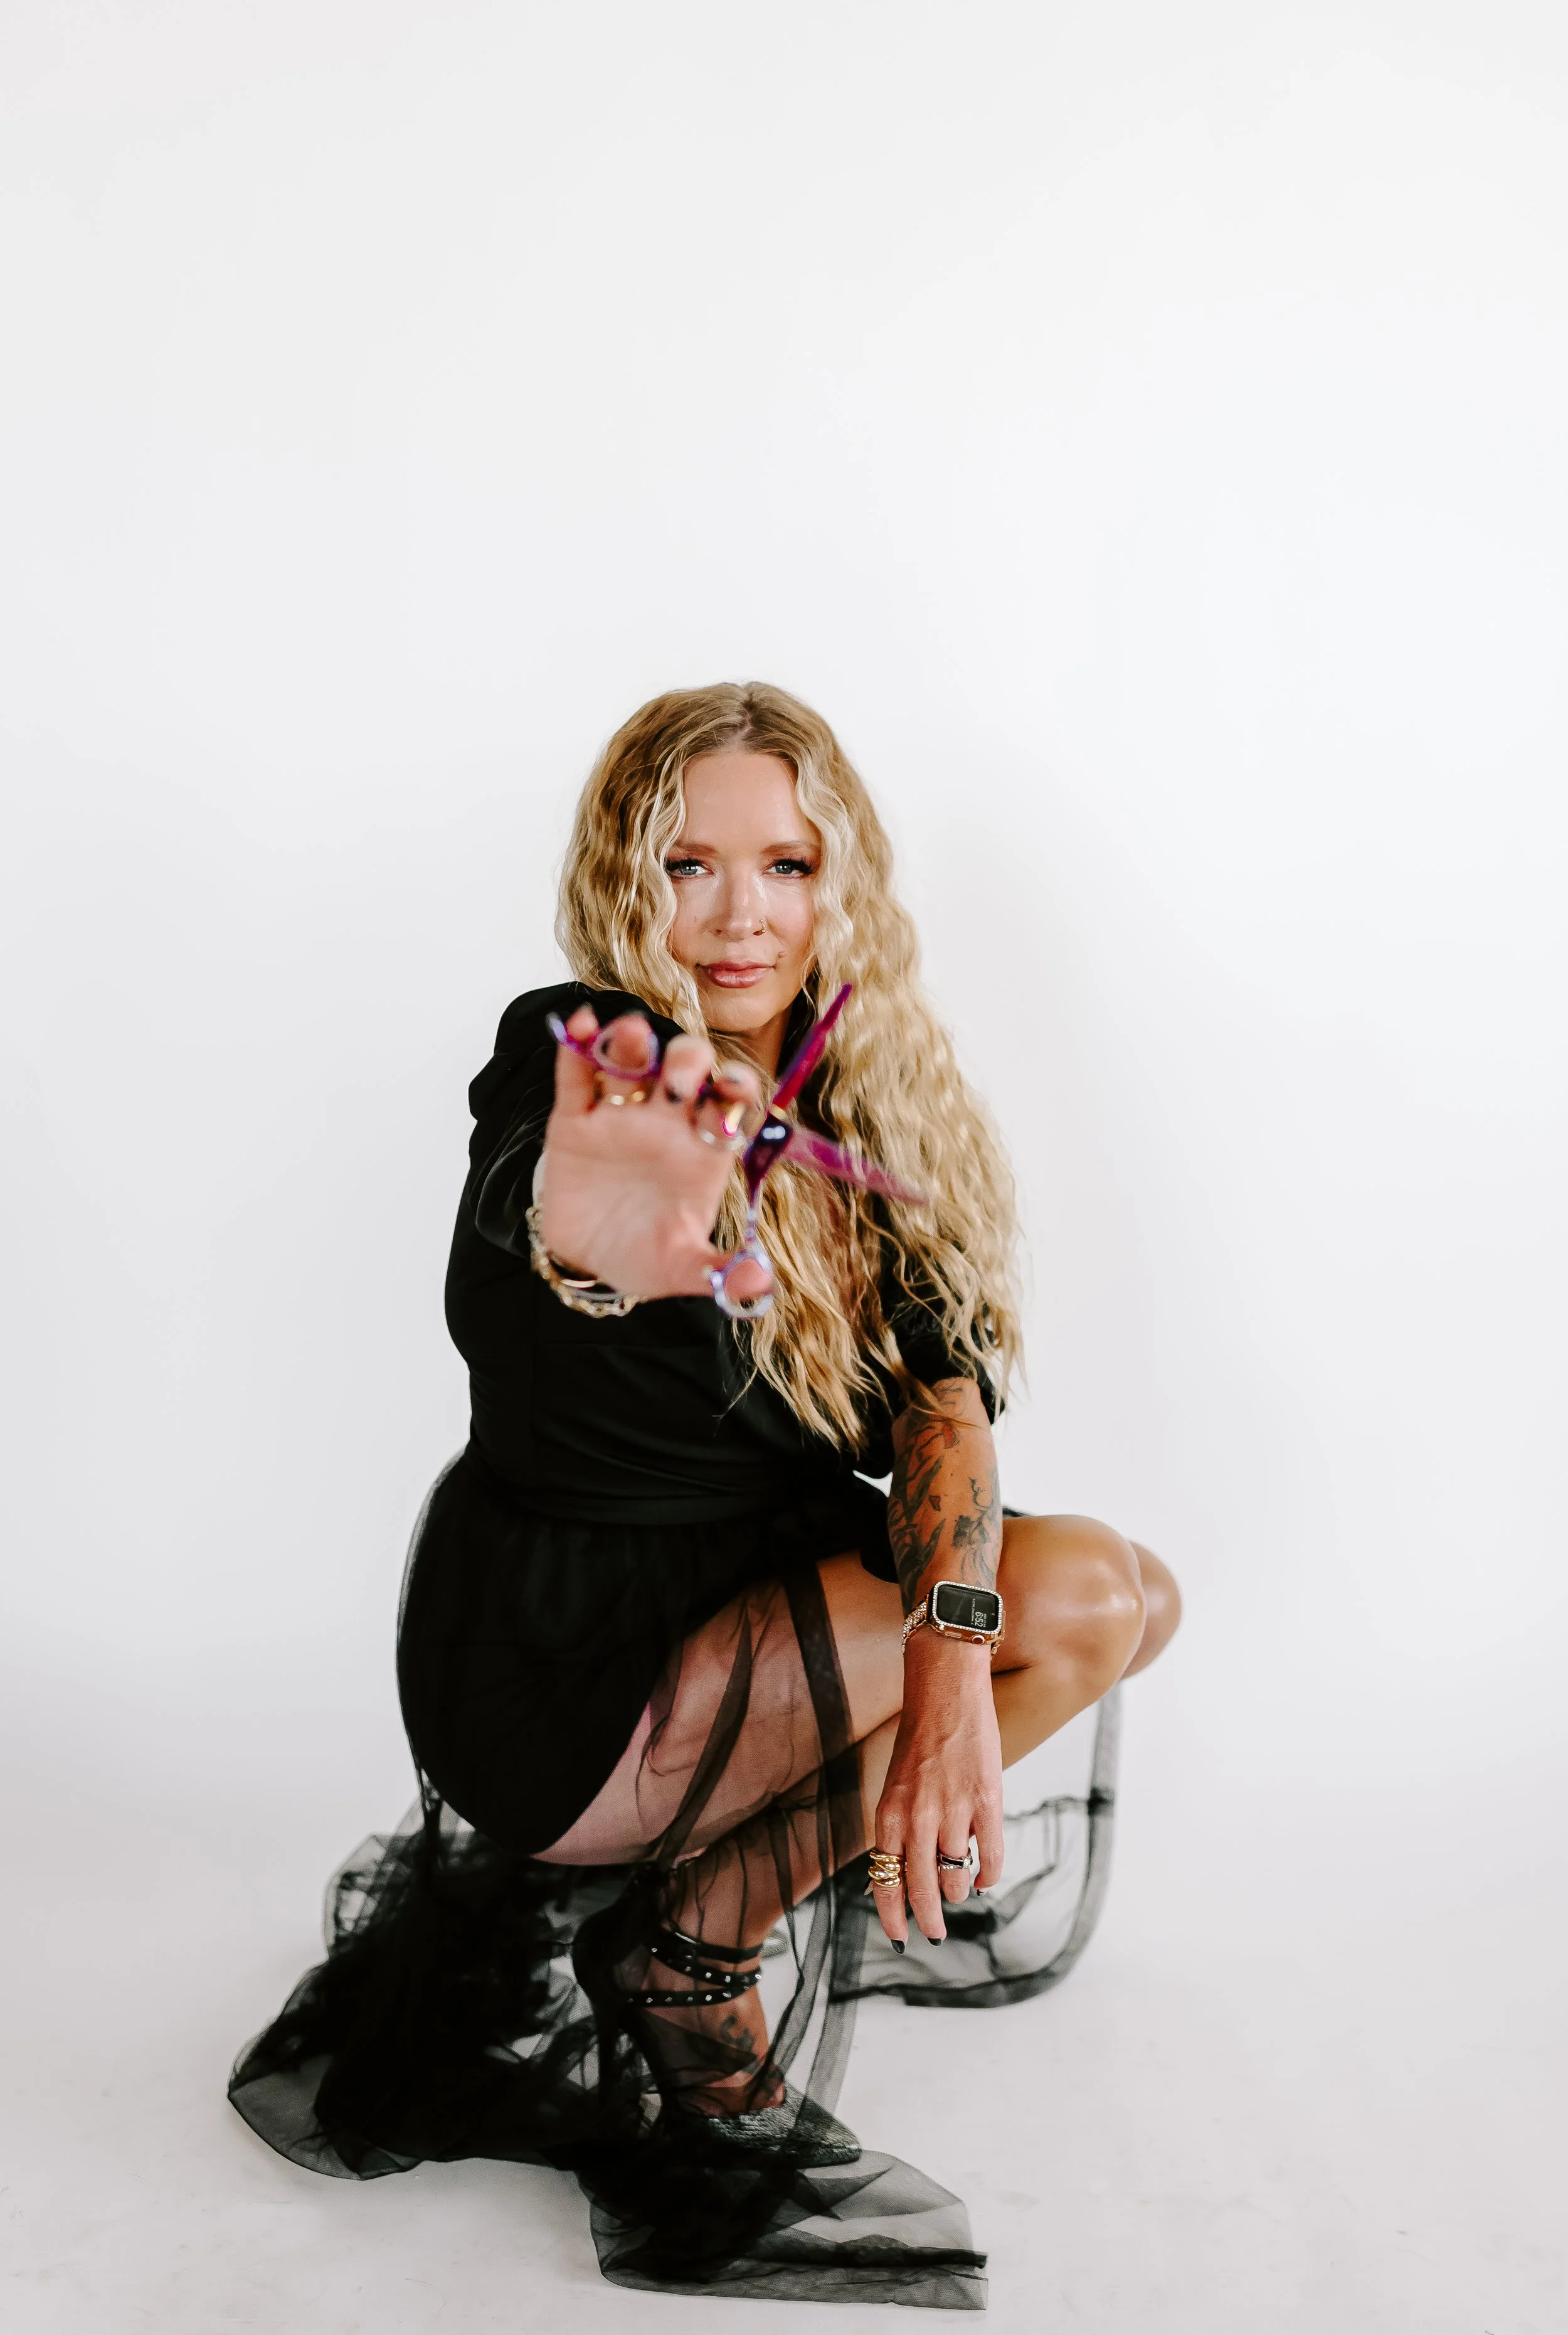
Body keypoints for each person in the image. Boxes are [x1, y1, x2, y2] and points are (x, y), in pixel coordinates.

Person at [229, 683, 1181, 2310]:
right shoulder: (581, 1063)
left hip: (754, 1599)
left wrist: (950, 1663)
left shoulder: (873, 1097)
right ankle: (686, 1953)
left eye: (785, 864)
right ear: (625, 878)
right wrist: (592, 1257)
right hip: (563, 1665)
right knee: (1076, 1593)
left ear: (840, 883)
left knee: (1120, 1600)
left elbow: (940, 1405)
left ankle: (685, 1931)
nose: (740, 912)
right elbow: (538, 1241)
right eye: (689, 866)